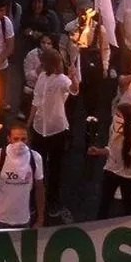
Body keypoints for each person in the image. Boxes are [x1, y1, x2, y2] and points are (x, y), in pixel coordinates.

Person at [27, 49, 79, 223]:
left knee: (56, 168)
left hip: (57, 130)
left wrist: (73, 76)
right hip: (39, 128)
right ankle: (36, 199)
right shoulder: (42, 77)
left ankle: (53, 200)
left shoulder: (62, 80)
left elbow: (73, 90)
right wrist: (29, 123)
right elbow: (35, 100)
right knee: (36, 165)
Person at [0, 123, 46, 228]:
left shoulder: (35, 158)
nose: (20, 143)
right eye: (16, 139)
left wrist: (40, 218)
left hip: (22, 220)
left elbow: (40, 189)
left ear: (28, 140)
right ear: (9, 139)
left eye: (23, 139)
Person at [91, 103, 131, 219]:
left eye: (118, 115)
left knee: (127, 207)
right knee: (104, 204)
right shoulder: (113, 128)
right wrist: (99, 151)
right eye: (115, 114)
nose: (115, 117)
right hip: (111, 171)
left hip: (128, 177)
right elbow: (112, 150)